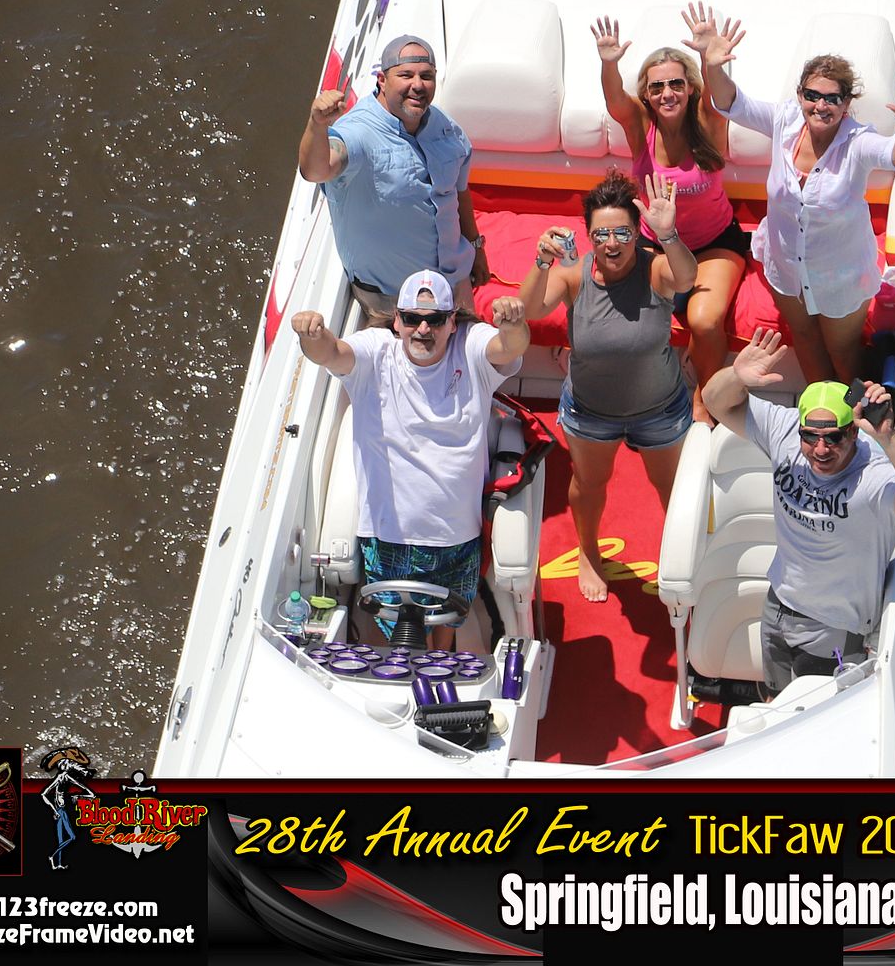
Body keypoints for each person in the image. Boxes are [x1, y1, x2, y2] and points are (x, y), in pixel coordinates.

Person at [687, 9, 895, 383]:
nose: (821, 106)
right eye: (812, 95)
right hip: (785, 265)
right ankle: (820, 406)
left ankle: (853, 413)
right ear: (800, 95)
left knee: (843, 353)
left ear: (847, 104)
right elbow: (733, 103)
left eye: (832, 98)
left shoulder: (858, 141)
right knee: (804, 338)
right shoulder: (785, 120)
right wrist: (712, 65)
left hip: (840, 274)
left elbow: (893, 155)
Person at [703, 328, 895, 695]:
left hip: (834, 626)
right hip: (778, 604)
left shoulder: (873, 476)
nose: (820, 450)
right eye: (810, 436)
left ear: (854, 433)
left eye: (834, 437)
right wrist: (736, 376)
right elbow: (715, 401)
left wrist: (887, 436)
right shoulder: (784, 431)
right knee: (774, 697)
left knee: (816, 712)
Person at [292, 270, 529, 649]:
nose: (423, 328)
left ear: (452, 323)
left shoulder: (471, 345)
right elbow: (331, 353)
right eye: (412, 318)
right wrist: (312, 335)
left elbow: (509, 347)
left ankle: (442, 657)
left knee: (447, 622)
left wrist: (513, 324)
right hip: (387, 537)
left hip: (458, 537)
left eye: (435, 319)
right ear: (397, 321)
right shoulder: (374, 351)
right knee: (390, 629)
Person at [519, 169, 698, 602]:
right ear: (588, 237)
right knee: (589, 483)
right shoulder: (573, 275)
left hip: (660, 410)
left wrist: (668, 234)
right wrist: (542, 261)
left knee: (671, 488)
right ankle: (588, 551)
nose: (612, 243)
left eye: (622, 232)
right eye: (601, 234)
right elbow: (530, 309)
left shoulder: (655, 269)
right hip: (590, 412)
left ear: (637, 234)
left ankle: (683, 555)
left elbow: (687, 278)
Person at [591, 14, 748, 425]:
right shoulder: (640, 124)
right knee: (630, 319)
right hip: (654, 244)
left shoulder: (709, 119)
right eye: (657, 87)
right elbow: (615, 101)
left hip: (715, 243)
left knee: (704, 320)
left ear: (691, 87)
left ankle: (705, 396)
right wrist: (609, 63)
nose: (667, 94)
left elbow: (720, 94)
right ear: (646, 94)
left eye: (676, 84)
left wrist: (711, 60)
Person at [297, 34, 489, 314]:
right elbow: (316, 170)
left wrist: (476, 247)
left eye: (426, 76)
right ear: (382, 81)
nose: (418, 85)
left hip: (452, 282)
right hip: (394, 301)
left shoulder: (446, 128)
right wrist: (317, 125)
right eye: (406, 75)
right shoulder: (358, 132)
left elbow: (458, 193)